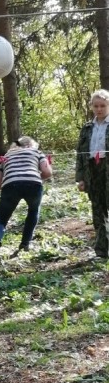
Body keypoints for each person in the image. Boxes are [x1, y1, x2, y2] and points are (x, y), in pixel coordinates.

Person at [0, 137, 52, 267]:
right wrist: (36, 177)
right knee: (33, 211)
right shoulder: (37, 152)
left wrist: (8, 180)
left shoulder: (7, 156)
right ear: (32, 145)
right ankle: (25, 243)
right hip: (33, 184)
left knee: (2, 219)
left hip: (11, 185)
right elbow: (47, 172)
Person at [76, 89, 109, 260]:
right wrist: (80, 178)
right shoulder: (87, 128)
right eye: (96, 106)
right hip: (92, 169)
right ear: (91, 107)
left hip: (107, 168)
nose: (99, 109)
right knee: (98, 209)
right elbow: (80, 154)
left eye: (103, 106)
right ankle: (102, 251)